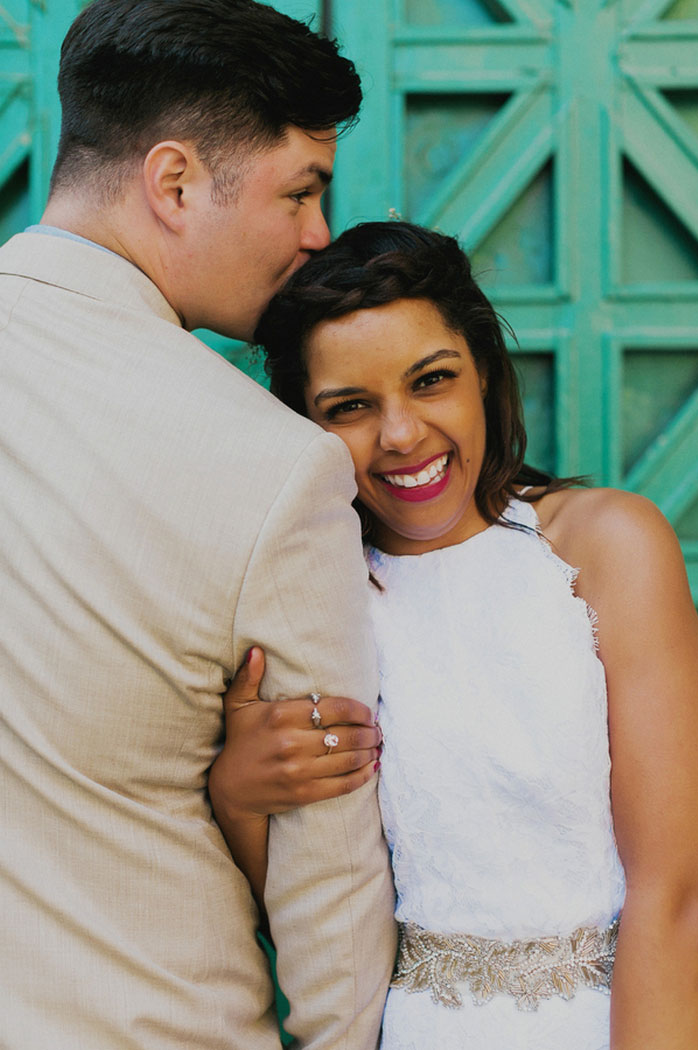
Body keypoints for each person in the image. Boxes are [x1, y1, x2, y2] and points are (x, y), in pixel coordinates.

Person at [0, 4, 396, 1048]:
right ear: (173, 183)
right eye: (300, 190)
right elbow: (330, 870)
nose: (318, 234)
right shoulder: (277, 467)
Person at [211, 221, 698, 1049]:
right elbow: (319, 907)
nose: (400, 435)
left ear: (483, 377)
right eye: (351, 407)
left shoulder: (607, 545)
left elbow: (678, 893)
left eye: (431, 381)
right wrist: (238, 793)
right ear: (304, 427)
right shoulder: (313, 606)